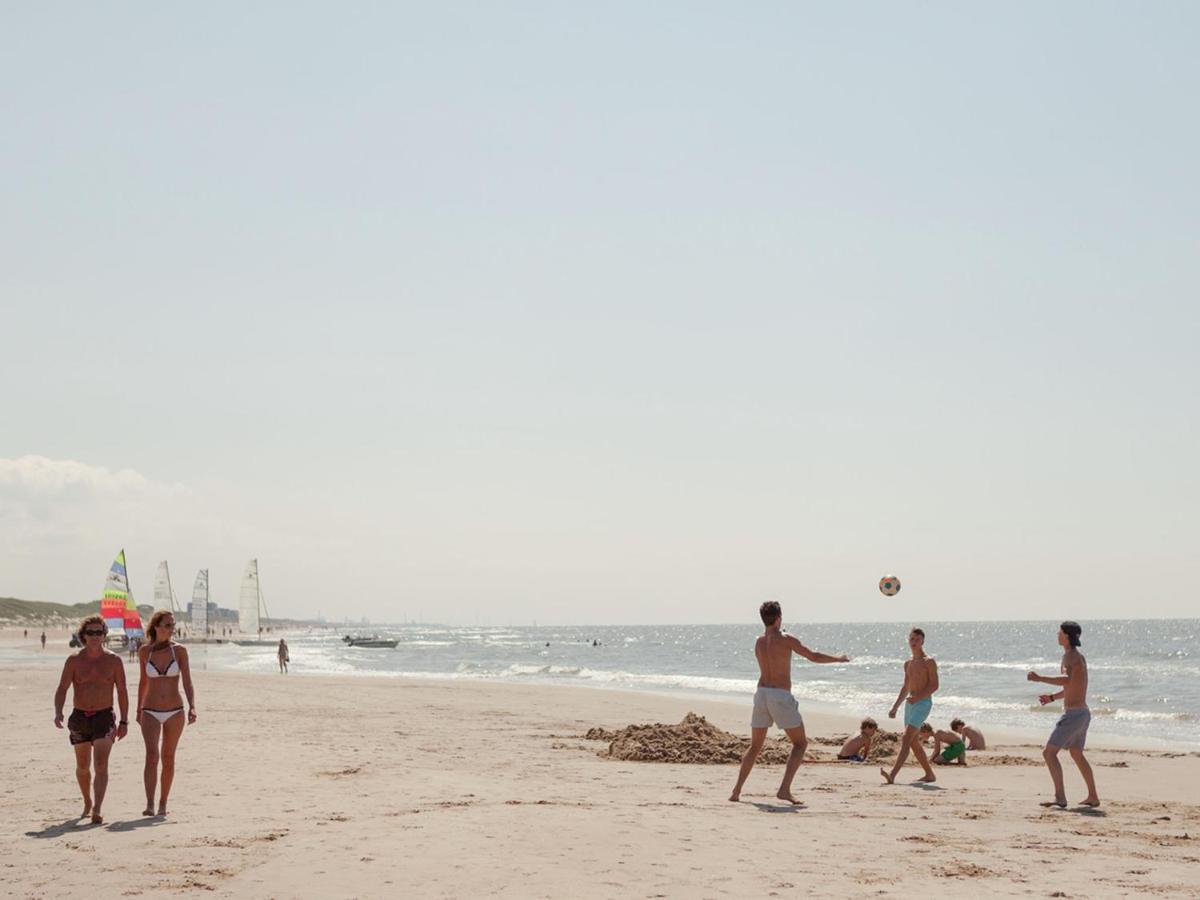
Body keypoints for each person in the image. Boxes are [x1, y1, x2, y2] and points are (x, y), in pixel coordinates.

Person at [729, 601, 850, 805]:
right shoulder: (787, 639)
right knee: (800, 744)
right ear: (778, 618)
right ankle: (784, 790)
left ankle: (736, 791)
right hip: (780, 695)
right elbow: (813, 656)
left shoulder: (758, 642)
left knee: (755, 746)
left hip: (761, 693)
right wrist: (838, 659)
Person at [53, 615, 129, 824]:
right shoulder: (74, 660)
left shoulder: (114, 660)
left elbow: (122, 691)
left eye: (99, 632)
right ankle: (87, 800)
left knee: (101, 764)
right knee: (83, 766)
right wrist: (58, 711)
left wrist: (124, 721)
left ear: (104, 635)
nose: (95, 637)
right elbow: (62, 688)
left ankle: (97, 807)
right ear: (83, 636)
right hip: (80, 717)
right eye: (91, 633)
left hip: (104, 717)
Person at [1027, 621, 1099, 809]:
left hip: (1074, 715)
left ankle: (1060, 797)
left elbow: (1066, 680)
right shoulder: (1077, 657)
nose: (1057, 635)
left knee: (1049, 753)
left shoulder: (1070, 657)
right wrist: (1052, 698)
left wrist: (1039, 678)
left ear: (1066, 636)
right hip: (1082, 713)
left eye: (1059, 632)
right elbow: (1072, 685)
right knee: (1076, 753)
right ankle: (1093, 796)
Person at [137, 609, 198, 816]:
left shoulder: (179, 651)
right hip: (150, 710)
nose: (172, 629)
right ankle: (149, 803)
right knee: (151, 756)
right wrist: (138, 710)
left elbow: (187, 681)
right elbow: (143, 682)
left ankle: (163, 803)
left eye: (173, 625)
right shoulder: (145, 652)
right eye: (168, 625)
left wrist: (192, 706)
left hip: (175, 711)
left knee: (168, 757)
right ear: (156, 627)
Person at [881, 627, 939, 785]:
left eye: (917, 639)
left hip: (923, 703)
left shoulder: (929, 662)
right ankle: (929, 774)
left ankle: (892, 774)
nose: (914, 642)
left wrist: (918, 697)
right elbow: (905, 687)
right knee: (913, 742)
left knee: (906, 737)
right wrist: (895, 707)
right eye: (912, 639)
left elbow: (934, 686)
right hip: (910, 704)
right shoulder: (908, 664)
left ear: (923, 642)